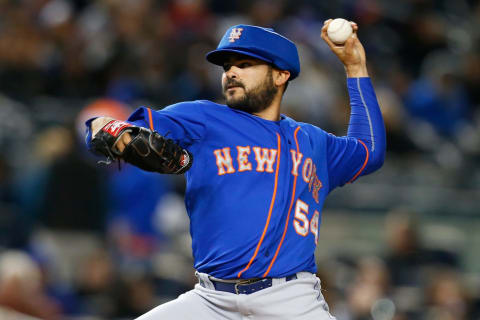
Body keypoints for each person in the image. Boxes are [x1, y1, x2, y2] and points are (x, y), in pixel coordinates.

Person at [86, 20, 386, 320]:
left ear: (281, 74)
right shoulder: (202, 117)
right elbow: (105, 127)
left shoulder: (314, 142)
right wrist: (107, 130)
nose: (231, 72)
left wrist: (355, 66)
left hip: (291, 300)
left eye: (245, 64)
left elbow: (369, 151)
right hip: (210, 299)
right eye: (227, 65)